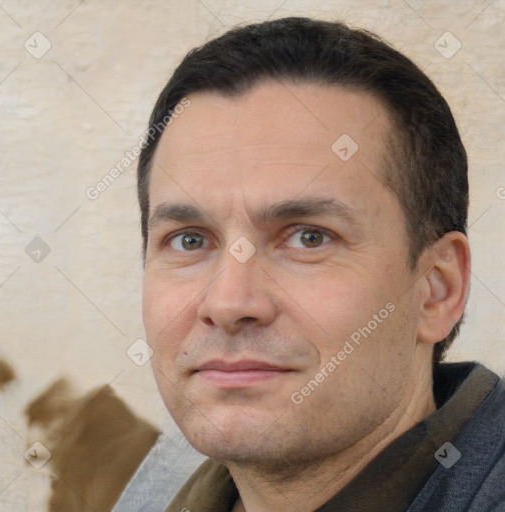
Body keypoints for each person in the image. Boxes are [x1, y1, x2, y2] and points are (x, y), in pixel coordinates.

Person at [115, 17, 505, 512]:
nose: (229, 302)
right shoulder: (151, 490)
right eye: (190, 240)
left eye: (308, 237)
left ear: (436, 288)